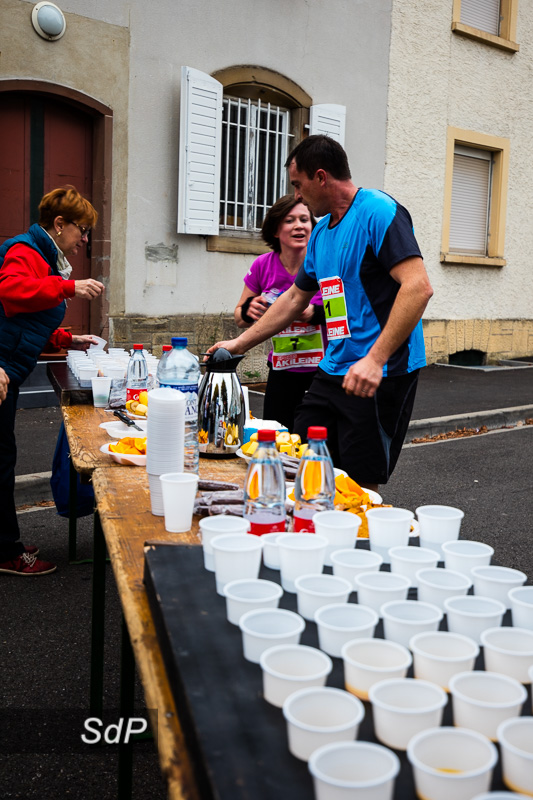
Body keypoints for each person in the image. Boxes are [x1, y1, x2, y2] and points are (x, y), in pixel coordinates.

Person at [208, 135, 433, 490]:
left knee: (357, 482)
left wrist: (374, 360)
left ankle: (355, 525)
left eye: (298, 185)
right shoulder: (321, 235)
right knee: (302, 459)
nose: (297, 195)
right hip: (334, 366)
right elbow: (295, 297)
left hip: (381, 370)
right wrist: (240, 344)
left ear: (322, 177)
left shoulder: (377, 211)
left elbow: (418, 287)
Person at [0, 186, 105, 576]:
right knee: (1, 461)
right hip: (1, 369)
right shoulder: (25, 251)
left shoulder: (44, 257)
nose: (85, 239)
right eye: (82, 229)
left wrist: (65, 339)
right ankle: (6, 553)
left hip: (9, 368)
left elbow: (25, 321)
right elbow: (10, 292)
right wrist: (68, 287)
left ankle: (5, 544)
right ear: (59, 224)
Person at [234, 194, 325, 430]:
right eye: (289, 220)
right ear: (275, 230)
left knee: (313, 438)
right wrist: (250, 309)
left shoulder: (324, 263)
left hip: (322, 371)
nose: (299, 226)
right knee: (277, 435)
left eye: (304, 219)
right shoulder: (262, 265)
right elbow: (239, 317)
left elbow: (345, 311)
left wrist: (313, 313)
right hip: (282, 369)